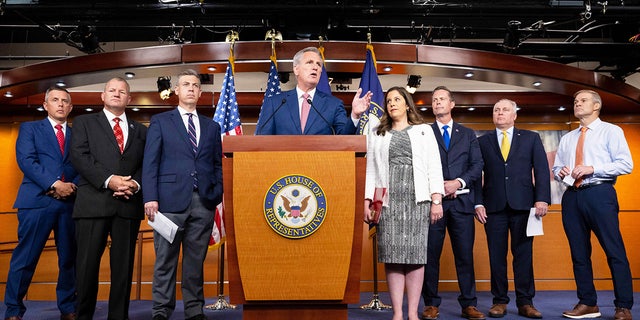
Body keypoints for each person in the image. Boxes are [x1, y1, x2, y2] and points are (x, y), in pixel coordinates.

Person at [142, 69, 223, 320]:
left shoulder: (212, 126)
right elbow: (150, 162)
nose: (190, 88)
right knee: (165, 261)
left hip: (203, 202)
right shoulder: (161, 121)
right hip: (167, 202)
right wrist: (150, 197)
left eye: (195, 85)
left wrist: (216, 192)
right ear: (176, 90)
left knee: (195, 262)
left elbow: (217, 164)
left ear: (200, 92)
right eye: (185, 84)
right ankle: (161, 310)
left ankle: (194, 309)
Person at [69, 77, 147, 320]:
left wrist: (133, 184)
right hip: (93, 204)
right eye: (111, 90)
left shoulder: (141, 130)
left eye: (122, 91)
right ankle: (83, 316)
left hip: (127, 206)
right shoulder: (84, 123)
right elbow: (79, 157)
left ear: (129, 99)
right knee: (86, 268)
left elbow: (148, 163)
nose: (116, 94)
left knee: (123, 270)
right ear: (102, 96)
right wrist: (110, 180)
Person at [364, 86, 444, 320]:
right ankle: (397, 313)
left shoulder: (423, 131)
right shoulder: (378, 132)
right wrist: (367, 201)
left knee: (415, 256)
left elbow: (433, 165)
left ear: (408, 104)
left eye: (397, 99)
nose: (392, 104)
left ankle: (412, 313)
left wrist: (436, 199)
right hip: (388, 202)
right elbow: (371, 170)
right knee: (393, 256)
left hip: (417, 199)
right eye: (389, 100)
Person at [552, 90, 633, 320]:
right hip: (572, 196)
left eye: (583, 101)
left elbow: (626, 164)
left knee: (614, 250)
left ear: (596, 106)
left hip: (600, 193)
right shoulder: (568, 138)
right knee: (579, 253)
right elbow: (556, 168)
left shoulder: (611, 131)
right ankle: (588, 303)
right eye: (575, 101)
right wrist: (561, 172)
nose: (577, 104)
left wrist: (592, 168)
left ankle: (623, 306)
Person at [4, 87, 78, 320]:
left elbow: (84, 164)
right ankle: (14, 310)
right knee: (26, 258)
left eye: (65, 101)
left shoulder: (78, 134)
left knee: (69, 259)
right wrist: (55, 184)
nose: (60, 104)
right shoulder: (30, 129)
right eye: (55, 100)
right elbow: (26, 161)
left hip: (70, 203)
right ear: (45, 105)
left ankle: (68, 307)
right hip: (37, 202)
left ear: (70, 107)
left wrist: (71, 186)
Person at [474, 99, 550, 319]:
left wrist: (542, 199)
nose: (500, 113)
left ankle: (526, 302)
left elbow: (542, 170)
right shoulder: (483, 141)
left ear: (514, 115)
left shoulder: (531, 138)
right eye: (496, 110)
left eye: (505, 109)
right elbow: (476, 175)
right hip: (493, 207)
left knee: (523, 256)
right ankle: (499, 301)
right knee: (496, 257)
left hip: (524, 206)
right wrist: (478, 203)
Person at [421, 86, 485, 320]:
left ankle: (469, 304)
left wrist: (458, 182)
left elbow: (477, 165)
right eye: (434, 99)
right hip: (432, 205)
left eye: (442, 99)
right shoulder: (423, 132)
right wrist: (438, 187)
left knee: (464, 256)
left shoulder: (467, 134)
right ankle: (431, 304)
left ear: (452, 104)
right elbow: (420, 166)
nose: (437, 102)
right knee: (430, 256)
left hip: (462, 204)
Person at [255, 46, 372, 135]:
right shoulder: (275, 102)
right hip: (282, 165)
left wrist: (355, 115)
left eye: (319, 65)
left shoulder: (334, 105)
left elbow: (344, 138)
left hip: (320, 165)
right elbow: (262, 139)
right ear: (296, 69)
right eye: (309, 62)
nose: (315, 67)